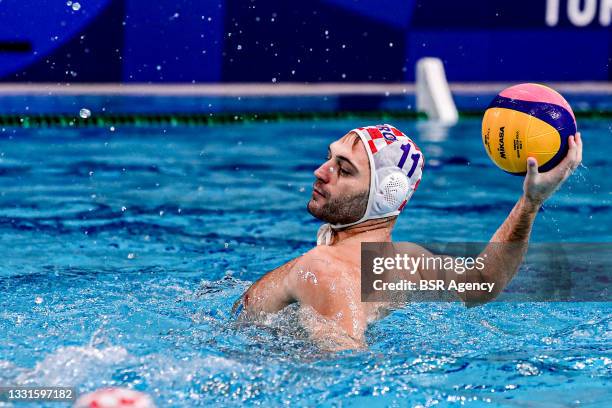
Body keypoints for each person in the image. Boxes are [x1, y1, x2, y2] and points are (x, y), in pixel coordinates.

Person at [232, 124, 583, 350]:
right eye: (329, 158)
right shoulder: (406, 262)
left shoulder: (324, 270)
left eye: (344, 169)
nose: (321, 172)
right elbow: (483, 280)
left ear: (385, 195)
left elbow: (345, 367)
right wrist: (530, 202)